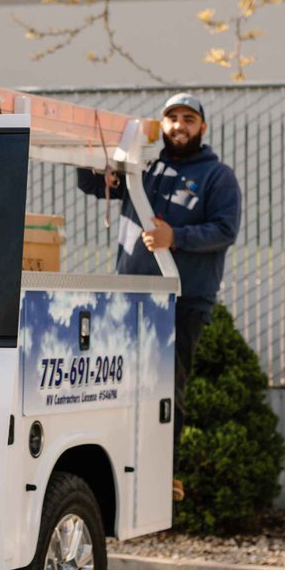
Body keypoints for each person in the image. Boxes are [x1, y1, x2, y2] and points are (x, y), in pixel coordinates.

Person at [77, 93, 242, 498]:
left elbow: (225, 230)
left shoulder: (217, 176)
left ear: (202, 127)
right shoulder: (145, 169)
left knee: (166, 385)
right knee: (119, 382)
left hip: (183, 299)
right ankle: (121, 464)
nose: (179, 126)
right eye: (171, 118)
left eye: (188, 118)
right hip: (131, 294)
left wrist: (176, 238)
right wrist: (101, 163)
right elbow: (88, 182)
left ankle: (163, 471)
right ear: (162, 124)